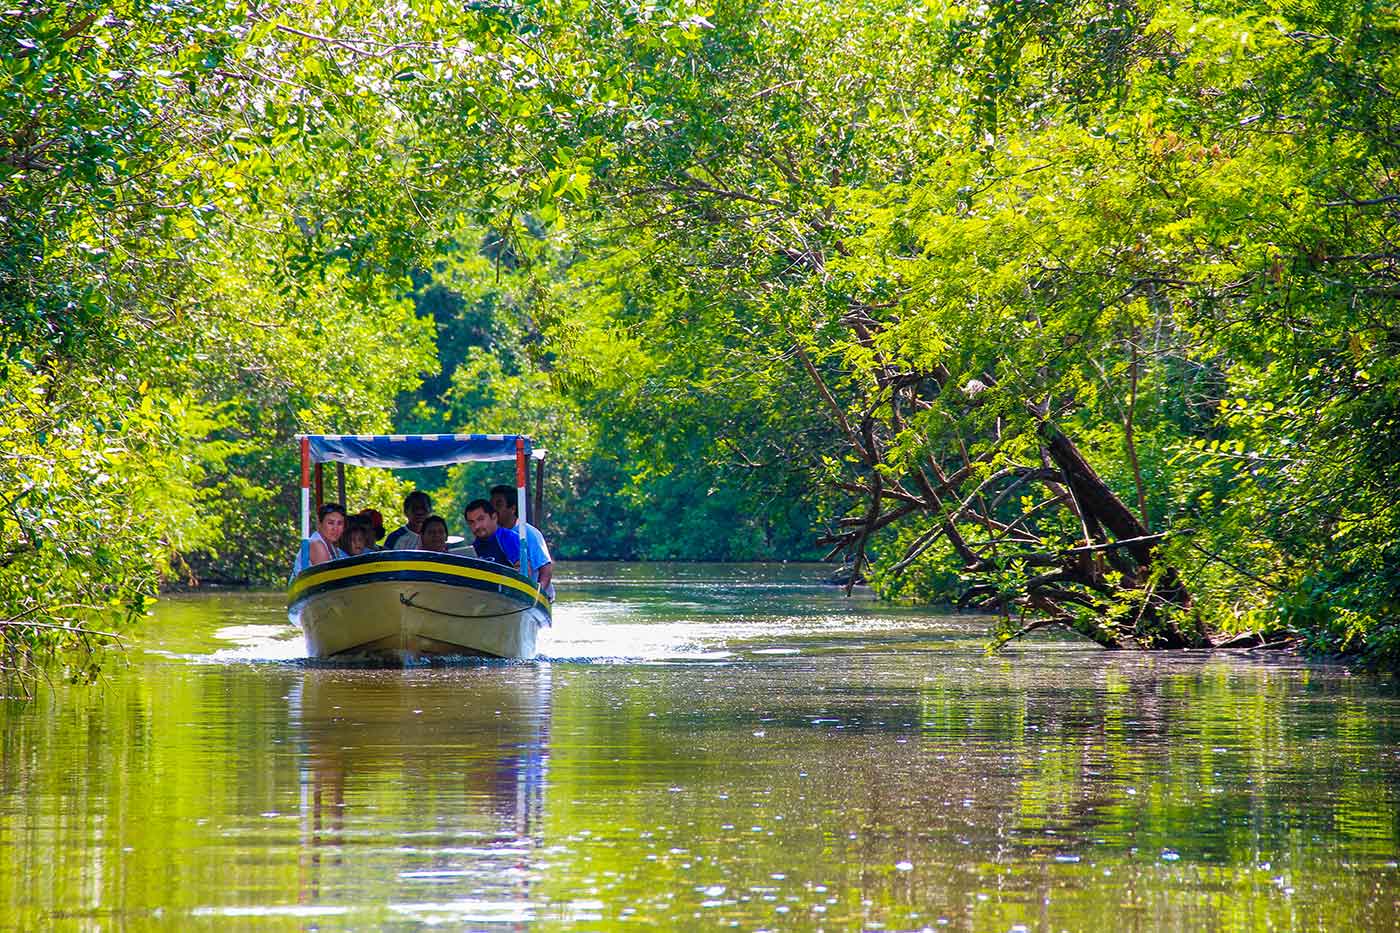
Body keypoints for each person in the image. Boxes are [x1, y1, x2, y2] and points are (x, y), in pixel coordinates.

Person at [490, 484, 555, 600]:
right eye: (491, 505)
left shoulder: (529, 533)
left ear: (513, 508)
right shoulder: (492, 534)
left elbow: (546, 568)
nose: (493, 510)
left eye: (499, 505)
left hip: (531, 595)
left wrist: (537, 596)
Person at [292, 503, 347, 576]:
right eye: (330, 523)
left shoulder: (333, 547)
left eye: (339, 523)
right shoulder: (317, 545)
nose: (335, 528)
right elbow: (328, 578)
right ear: (319, 523)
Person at [463, 498, 520, 568]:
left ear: (494, 517)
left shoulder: (508, 538)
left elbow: (524, 572)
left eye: (480, 519)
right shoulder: (475, 546)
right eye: (471, 522)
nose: (476, 526)